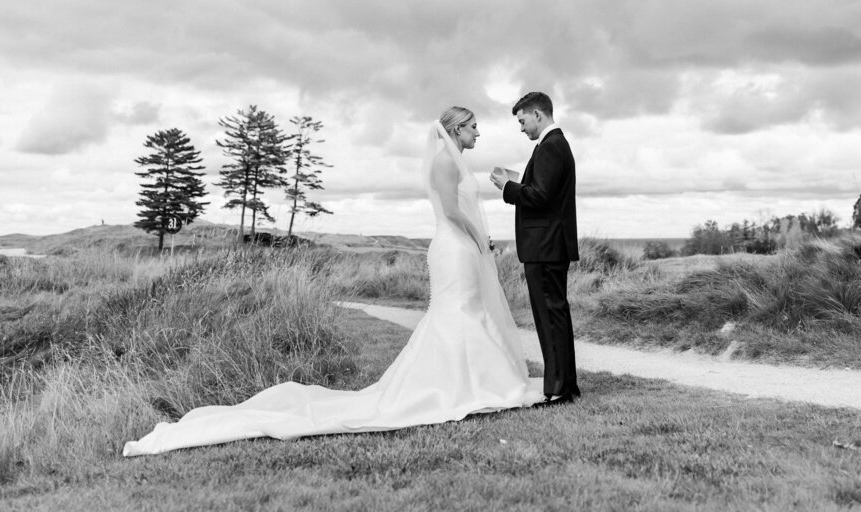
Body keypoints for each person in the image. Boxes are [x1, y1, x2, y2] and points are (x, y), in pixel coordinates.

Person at [122, 106, 542, 457]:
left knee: (462, 312)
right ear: (455, 129)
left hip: (459, 248)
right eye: (472, 127)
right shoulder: (446, 161)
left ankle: (475, 381)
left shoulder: (455, 160)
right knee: (458, 313)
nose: (478, 133)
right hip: (455, 248)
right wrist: (479, 240)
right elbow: (451, 212)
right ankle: (465, 385)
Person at [490, 91, 580, 405]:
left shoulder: (552, 147)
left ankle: (558, 389)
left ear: (538, 115)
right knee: (555, 315)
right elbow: (545, 193)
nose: (521, 128)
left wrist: (507, 188)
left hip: (545, 247)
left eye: (522, 120)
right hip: (549, 245)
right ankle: (566, 384)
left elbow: (540, 197)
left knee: (550, 316)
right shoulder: (552, 146)